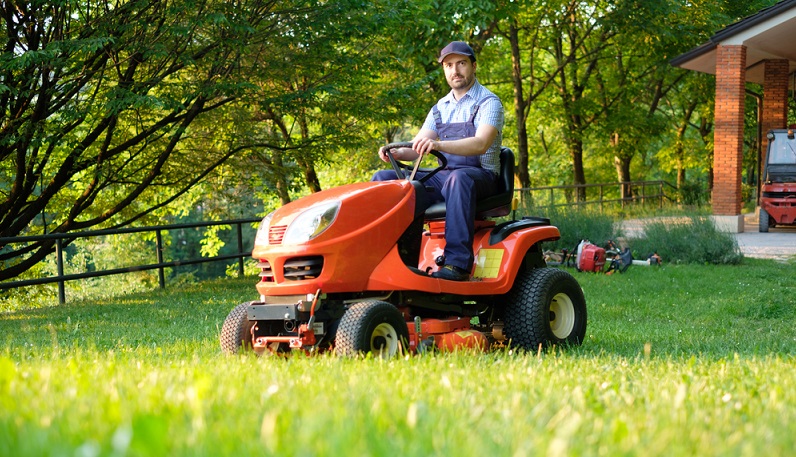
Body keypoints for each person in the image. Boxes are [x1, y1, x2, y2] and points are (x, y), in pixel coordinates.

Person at [372, 41, 504, 281]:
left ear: (473, 66)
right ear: (444, 70)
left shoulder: (489, 102)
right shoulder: (440, 107)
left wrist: (438, 145)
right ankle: (391, 258)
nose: (455, 70)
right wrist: (398, 153)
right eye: (449, 65)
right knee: (383, 179)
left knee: (458, 178)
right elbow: (417, 147)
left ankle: (456, 264)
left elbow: (480, 143)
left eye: (461, 63)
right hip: (448, 177)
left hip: (481, 177)